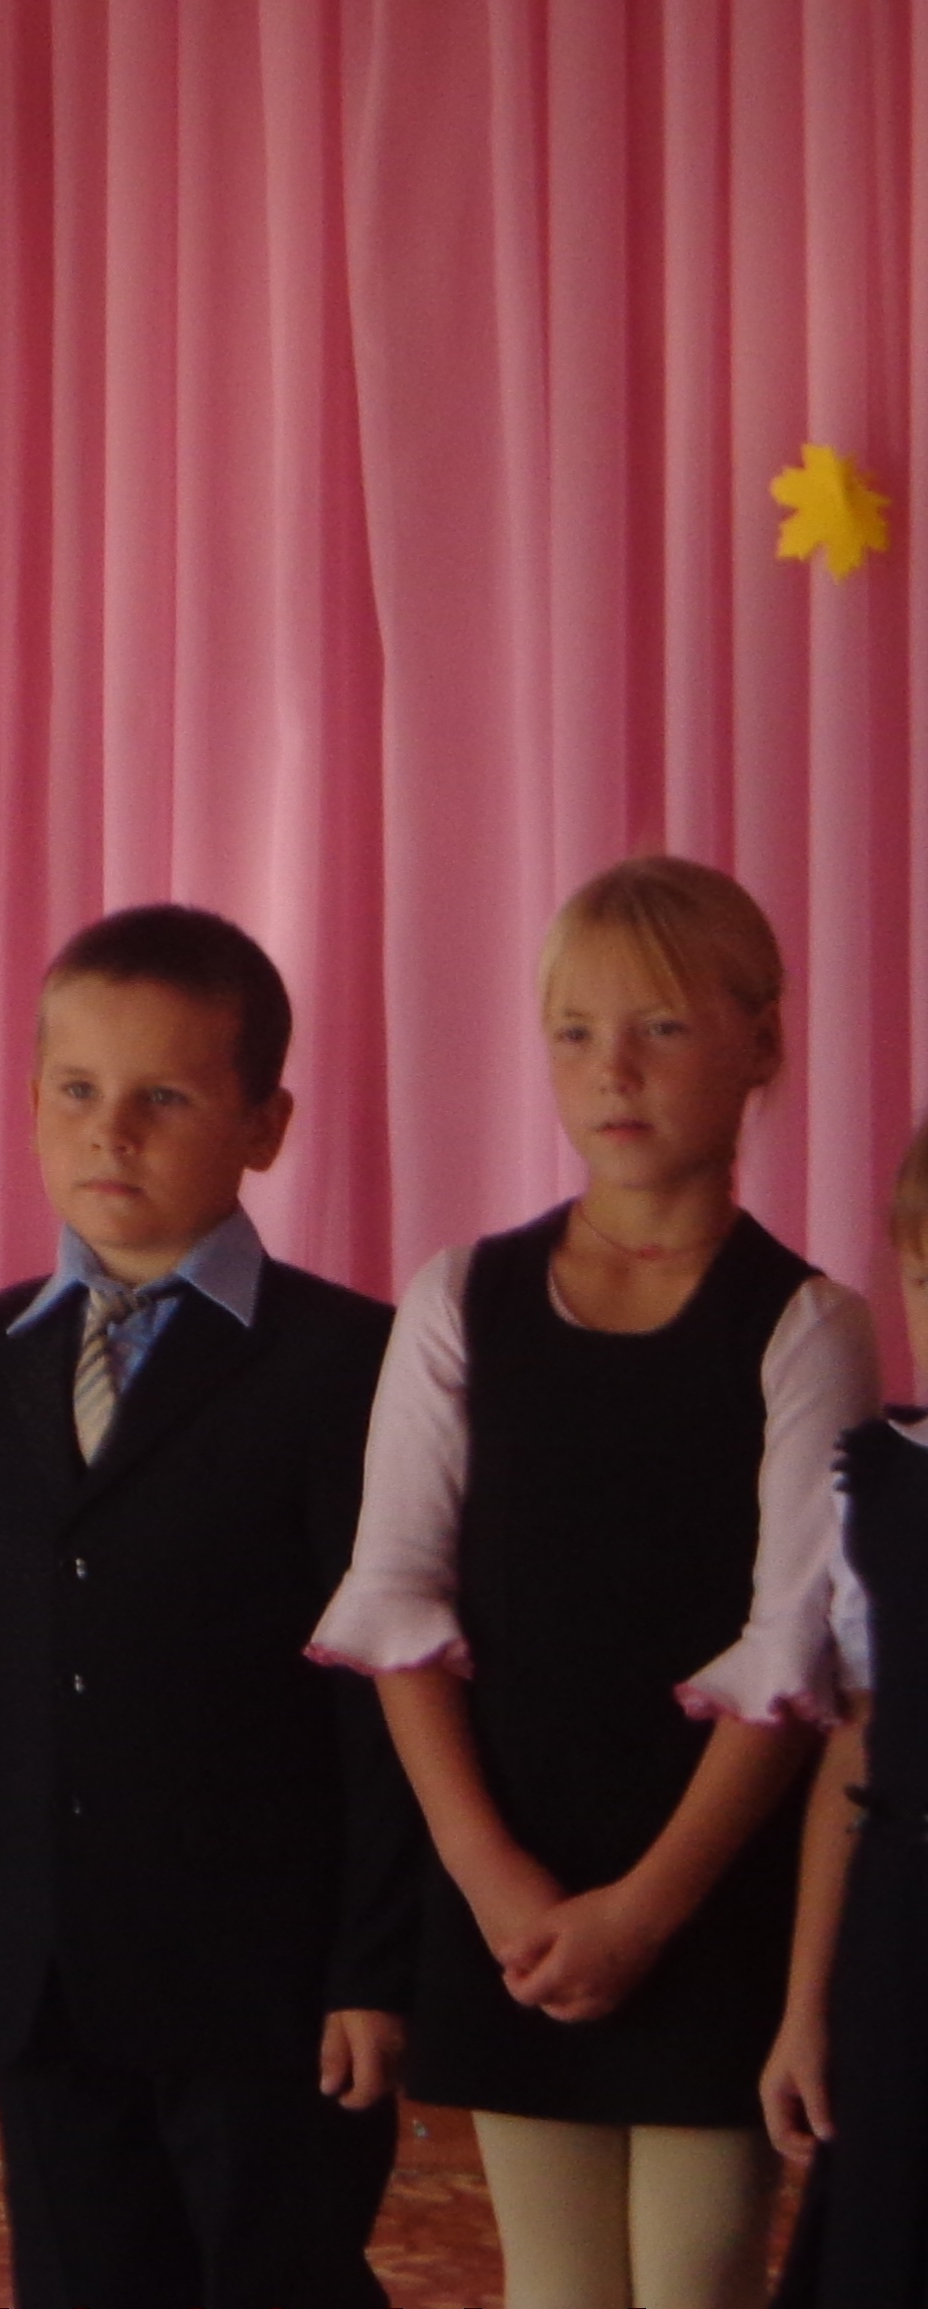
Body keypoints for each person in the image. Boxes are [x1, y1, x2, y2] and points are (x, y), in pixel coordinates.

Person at [311, 855, 874, 2309]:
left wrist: (647, 1907)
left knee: (695, 2281)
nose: (611, 1068)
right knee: (555, 2286)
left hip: (707, 1884)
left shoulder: (805, 1323)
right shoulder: (460, 1298)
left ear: (761, 1041)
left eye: (661, 1027)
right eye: (575, 1031)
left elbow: (793, 1646)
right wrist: (493, 1880)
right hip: (517, 1880)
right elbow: (397, 1605)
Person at [0, 905, 416, 2308]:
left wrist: (372, 1965)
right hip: (42, 1962)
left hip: (261, 1969)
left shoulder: (346, 1362)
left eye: (162, 1097)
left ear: (264, 1124)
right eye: (76, 1090)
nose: (109, 1132)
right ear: (30, 1104)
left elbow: (382, 1701)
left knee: (275, 2275)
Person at [763, 1111, 928, 2306]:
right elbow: (855, 1747)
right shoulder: (876, 1482)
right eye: (925, 1276)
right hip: (902, 1943)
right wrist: (804, 2005)